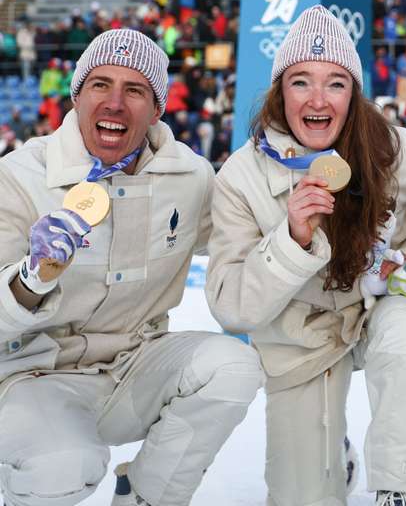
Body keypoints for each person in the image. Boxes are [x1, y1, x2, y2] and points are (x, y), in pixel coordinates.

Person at [0, 28, 263, 506]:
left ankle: (144, 497)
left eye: (135, 90)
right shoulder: (18, 176)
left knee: (233, 365)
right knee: (64, 463)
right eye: (100, 84)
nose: (115, 103)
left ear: (158, 108)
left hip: (133, 369)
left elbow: (244, 241)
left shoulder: (191, 176)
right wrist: (30, 279)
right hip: (31, 377)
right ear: (76, 96)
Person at [205, 5, 406, 506]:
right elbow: (231, 307)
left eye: (335, 83)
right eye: (301, 82)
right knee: (302, 496)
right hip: (301, 338)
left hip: (377, 313)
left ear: (353, 96)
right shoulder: (241, 179)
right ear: (279, 92)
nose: (318, 99)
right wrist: (290, 241)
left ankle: (400, 488)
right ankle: (331, 451)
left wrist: (403, 263)